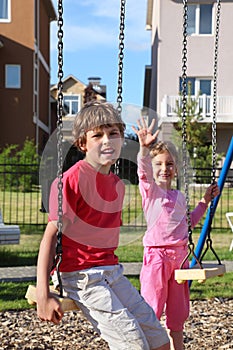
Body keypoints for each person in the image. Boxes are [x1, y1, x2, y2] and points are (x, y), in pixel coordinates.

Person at [36, 101, 170, 350]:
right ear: (83, 144)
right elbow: (50, 238)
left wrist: (144, 150)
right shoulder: (71, 181)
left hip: (112, 272)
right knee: (134, 344)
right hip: (81, 276)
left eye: (114, 134)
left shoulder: (116, 184)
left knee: (160, 340)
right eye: (98, 135)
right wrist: (44, 295)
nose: (107, 140)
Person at [132, 117, 220, 350]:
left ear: (176, 168)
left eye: (169, 164)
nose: (164, 169)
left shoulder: (179, 197)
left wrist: (204, 201)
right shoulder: (151, 193)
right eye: (159, 164)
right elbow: (142, 172)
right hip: (157, 259)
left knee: (178, 315)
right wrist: (144, 149)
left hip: (180, 259)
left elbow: (188, 224)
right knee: (152, 310)